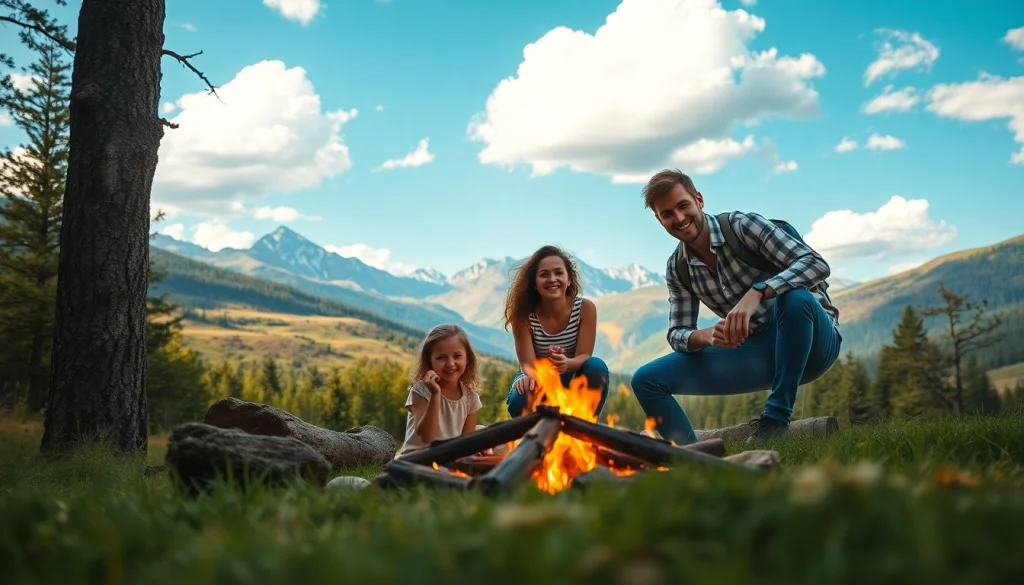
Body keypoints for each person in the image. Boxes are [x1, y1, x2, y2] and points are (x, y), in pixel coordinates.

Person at [629, 169, 842, 445]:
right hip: (757, 354)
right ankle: (694, 459)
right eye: (667, 214)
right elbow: (677, 333)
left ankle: (775, 421)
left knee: (795, 297)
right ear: (659, 220)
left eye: (683, 206)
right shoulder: (677, 267)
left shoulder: (743, 227)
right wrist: (703, 337)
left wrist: (758, 292)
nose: (679, 219)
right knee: (645, 380)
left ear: (699, 199)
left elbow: (817, 264)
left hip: (813, 343)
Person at [502, 245, 610, 418]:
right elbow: (529, 365)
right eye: (544, 274)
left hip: (574, 376)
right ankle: (536, 438)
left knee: (596, 367)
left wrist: (566, 363)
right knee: (519, 398)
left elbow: (584, 355)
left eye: (558, 273)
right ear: (534, 284)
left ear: (569, 279)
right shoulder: (523, 316)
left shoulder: (585, 308)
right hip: (537, 377)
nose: (552, 279)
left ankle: (584, 430)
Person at [396, 323, 484, 457]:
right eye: (441, 358)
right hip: (418, 458)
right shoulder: (420, 391)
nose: (450, 363)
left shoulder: (471, 398)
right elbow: (427, 437)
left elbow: (465, 443)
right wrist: (435, 394)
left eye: (457, 356)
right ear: (429, 360)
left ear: (467, 358)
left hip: (450, 457)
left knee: (486, 433)